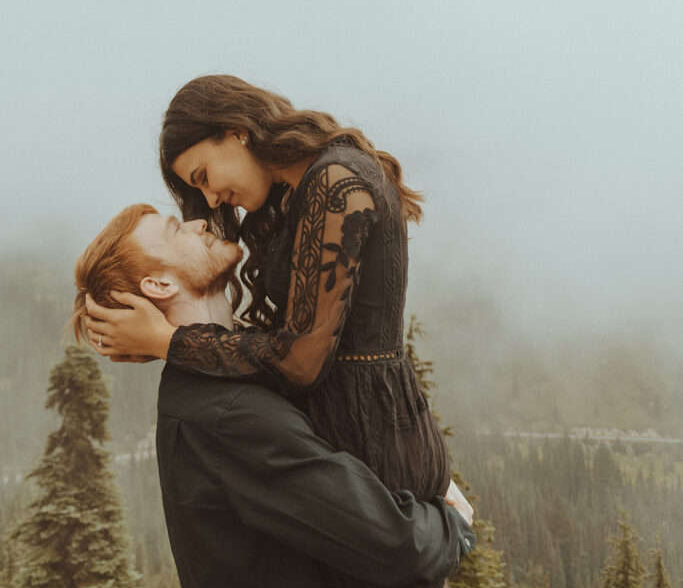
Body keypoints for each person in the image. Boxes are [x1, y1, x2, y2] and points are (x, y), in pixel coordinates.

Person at [85, 75, 455, 503]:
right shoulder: (299, 189)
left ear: (237, 131)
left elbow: (300, 361)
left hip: (378, 454)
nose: (211, 197)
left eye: (203, 175)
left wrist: (169, 341)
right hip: (362, 442)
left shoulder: (335, 180)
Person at [73, 204, 475, 588]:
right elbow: (397, 547)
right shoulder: (226, 415)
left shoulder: (217, 381)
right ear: (159, 285)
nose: (198, 223)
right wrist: (453, 524)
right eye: (176, 229)